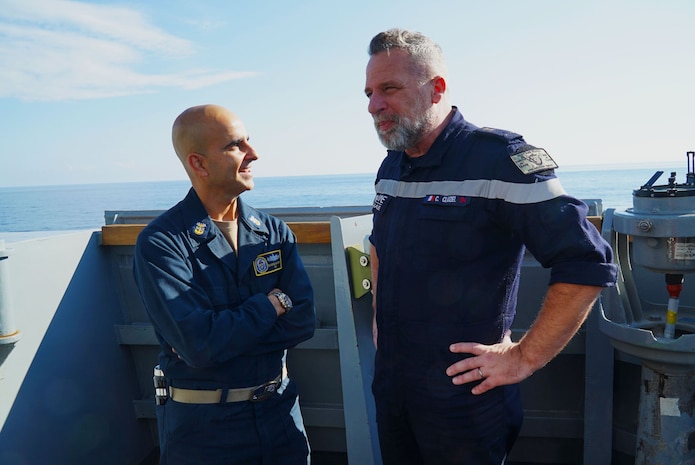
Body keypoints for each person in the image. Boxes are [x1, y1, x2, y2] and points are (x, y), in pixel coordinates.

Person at [364, 29, 618, 465]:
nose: (374, 106)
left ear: (436, 88)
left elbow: (585, 261)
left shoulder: (500, 160)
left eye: (389, 89)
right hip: (394, 389)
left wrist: (523, 357)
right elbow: (380, 248)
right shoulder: (394, 164)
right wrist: (377, 322)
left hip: (464, 398)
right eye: (369, 93)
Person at [132, 104, 316, 465]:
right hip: (205, 432)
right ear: (199, 164)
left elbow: (303, 321)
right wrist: (271, 305)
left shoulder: (273, 232)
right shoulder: (162, 243)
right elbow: (200, 345)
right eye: (236, 146)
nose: (254, 154)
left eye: (249, 141)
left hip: (280, 416)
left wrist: (223, 335)